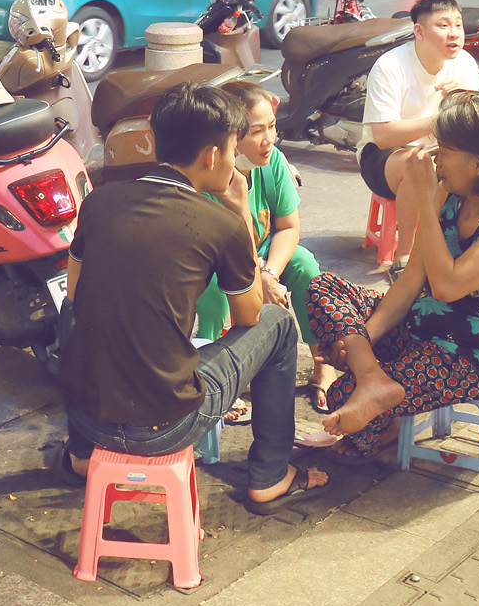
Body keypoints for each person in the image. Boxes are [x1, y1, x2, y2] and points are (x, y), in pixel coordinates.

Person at [60, 85, 329, 512]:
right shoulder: (220, 222)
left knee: (74, 308)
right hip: (165, 425)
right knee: (278, 326)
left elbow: (76, 294)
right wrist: (241, 213)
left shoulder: (99, 202)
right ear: (211, 156)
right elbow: (249, 315)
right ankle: (271, 474)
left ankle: (79, 455)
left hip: (90, 419)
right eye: (230, 148)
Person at [305, 92, 479, 459]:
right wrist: (362, 343)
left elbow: (446, 287)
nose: (435, 159)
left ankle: (378, 409)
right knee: (324, 287)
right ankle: (373, 380)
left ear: (478, 163)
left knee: (342, 396)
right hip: (427, 325)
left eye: (444, 151)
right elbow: (411, 282)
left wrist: (424, 196)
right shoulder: (451, 194)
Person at [193, 82, 326, 400]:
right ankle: (213, 378)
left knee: (305, 263)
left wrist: (268, 275)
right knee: (214, 291)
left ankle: (323, 362)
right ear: (231, 136)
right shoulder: (209, 176)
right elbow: (215, 250)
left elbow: (289, 227)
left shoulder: (273, 162)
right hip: (218, 263)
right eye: (256, 132)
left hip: (262, 254)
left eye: (272, 127)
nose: (268, 140)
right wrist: (254, 276)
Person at [360, 0, 479, 271]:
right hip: (385, 158)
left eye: (458, 25)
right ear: (419, 31)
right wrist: (443, 119)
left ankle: (469, 247)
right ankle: (405, 257)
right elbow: (384, 136)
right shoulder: (390, 66)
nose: (454, 33)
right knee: (419, 164)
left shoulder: (464, 63)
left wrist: (464, 100)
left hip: (444, 151)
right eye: (443, 25)